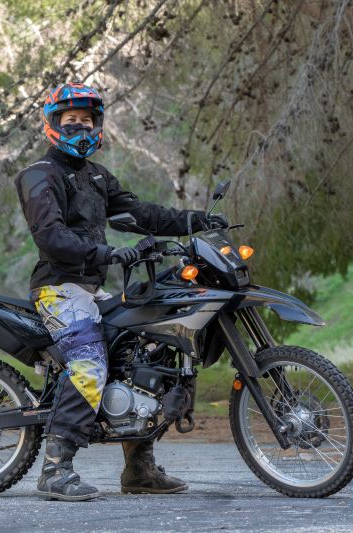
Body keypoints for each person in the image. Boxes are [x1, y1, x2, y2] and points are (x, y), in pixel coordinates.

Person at [14, 82, 225, 501]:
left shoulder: (96, 176)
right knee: (89, 365)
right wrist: (111, 253)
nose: (79, 128)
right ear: (53, 125)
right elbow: (52, 237)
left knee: (150, 355)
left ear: (98, 126)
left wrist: (196, 221)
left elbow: (140, 212)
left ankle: (139, 470)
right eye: (70, 121)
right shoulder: (40, 175)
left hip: (92, 291)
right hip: (59, 290)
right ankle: (55, 468)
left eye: (87, 121)